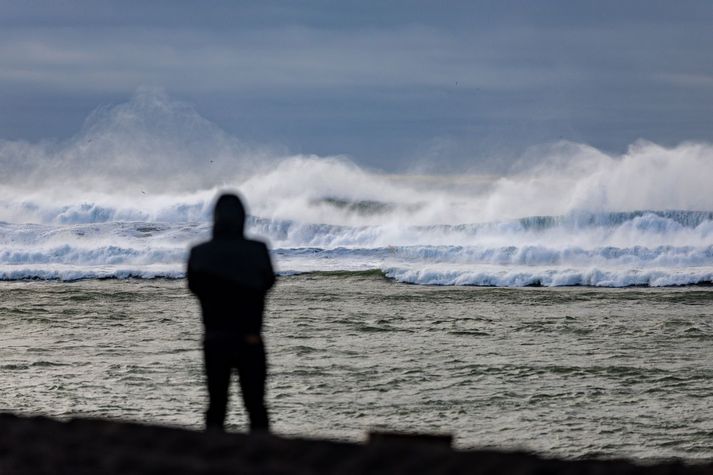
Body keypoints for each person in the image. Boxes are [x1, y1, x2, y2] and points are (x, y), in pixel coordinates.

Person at [187, 193, 275, 432]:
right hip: (250, 339)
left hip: (214, 340)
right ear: (243, 217)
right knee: (256, 407)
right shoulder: (258, 250)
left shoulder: (199, 253)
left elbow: (194, 286)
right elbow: (268, 281)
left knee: (216, 407)